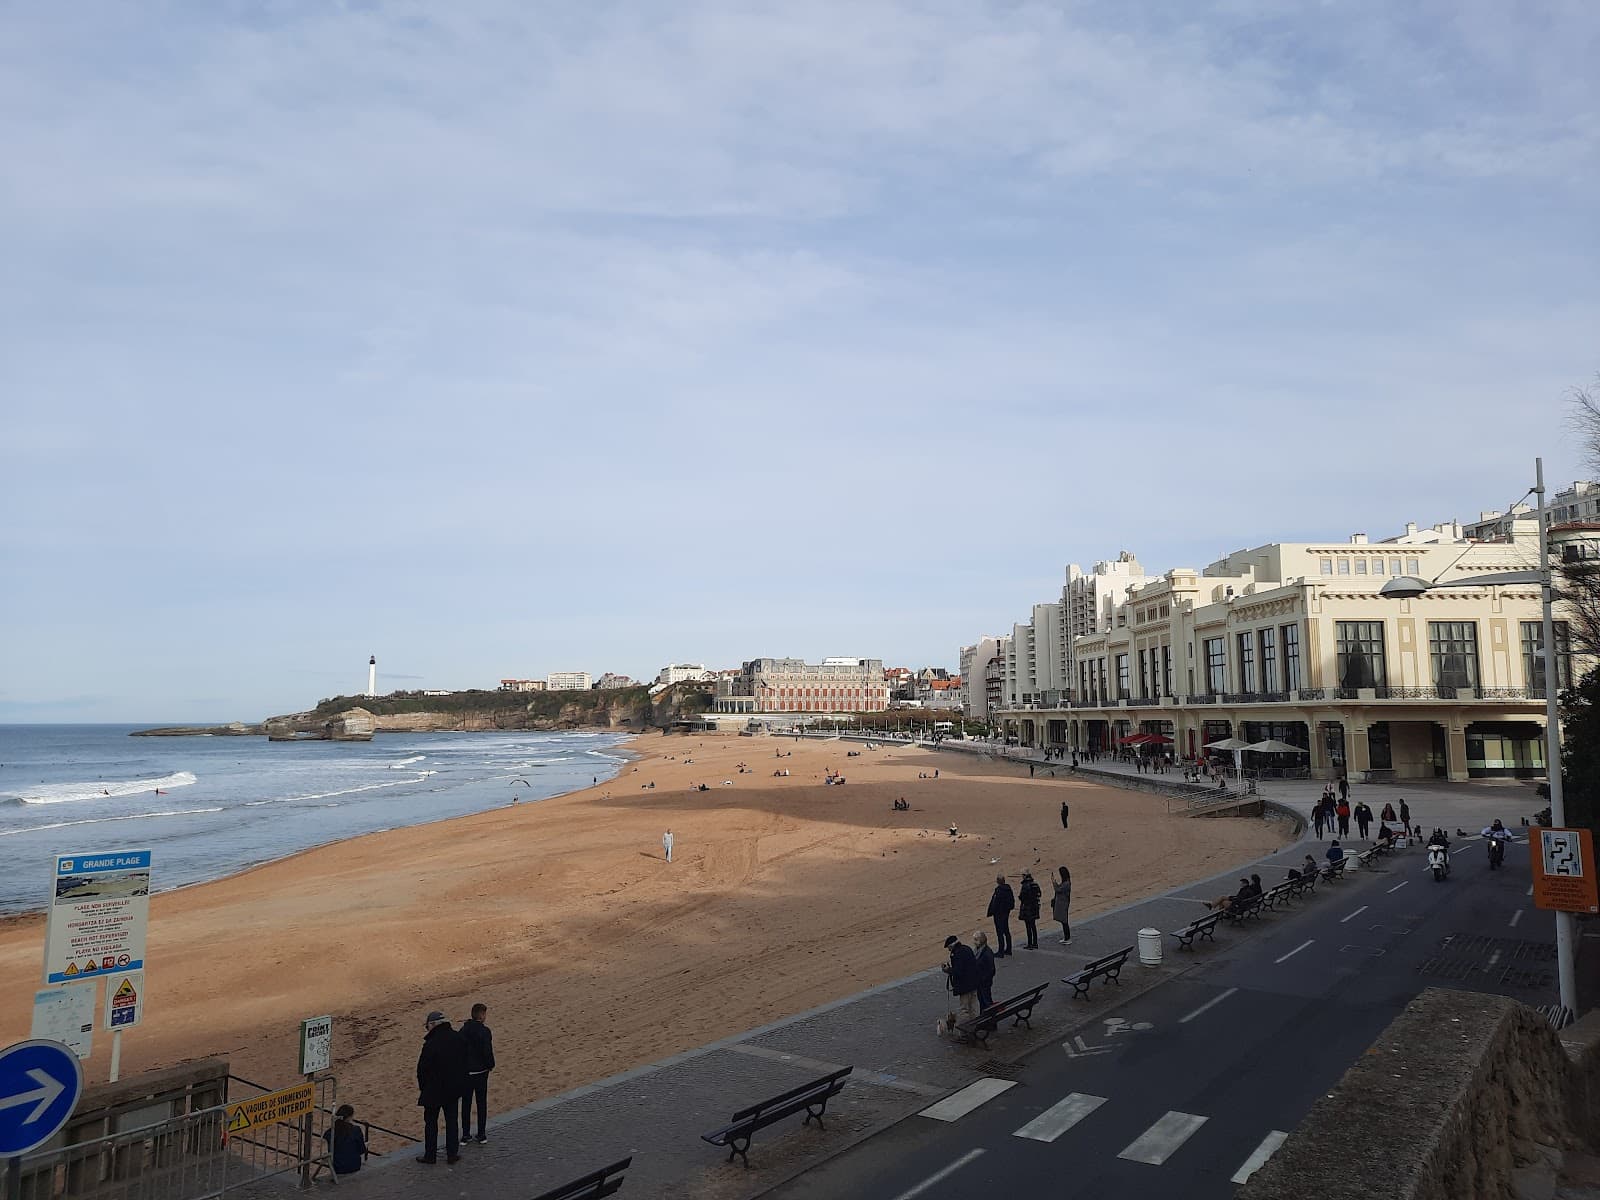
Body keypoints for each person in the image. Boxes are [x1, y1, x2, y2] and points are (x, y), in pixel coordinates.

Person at [415, 1010, 468, 1165]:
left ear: (433, 1025)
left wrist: (424, 1087)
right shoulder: (458, 1038)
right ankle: (452, 1154)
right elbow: (464, 1062)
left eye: (427, 1027)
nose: (427, 1030)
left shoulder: (431, 1044)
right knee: (452, 1122)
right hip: (453, 1089)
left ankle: (430, 1155)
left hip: (433, 1090)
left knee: (431, 1123)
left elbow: (422, 1070)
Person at [459, 1003, 494, 1145]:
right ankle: (481, 1134)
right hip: (481, 1072)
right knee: (481, 1103)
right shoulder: (485, 1031)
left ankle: (466, 1135)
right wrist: (490, 1065)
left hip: (467, 1072)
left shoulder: (463, 1030)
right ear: (482, 1015)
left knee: (466, 1103)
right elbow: (487, 1051)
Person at [941, 935, 981, 1037]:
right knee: (974, 1007)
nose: (948, 950)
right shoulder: (967, 949)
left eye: (949, 947)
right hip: (974, 983)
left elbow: (958, 972)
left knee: (964, 1009)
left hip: (965, 986)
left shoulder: (956, 954)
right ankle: (975, 1027)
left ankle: (964, 1032)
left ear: (951, 945)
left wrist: (948, 970)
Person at [986, 874, 1015, 957]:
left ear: (998, 881)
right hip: (1006, 913)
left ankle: (1001, 951)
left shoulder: (999, 890)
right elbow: (1011, 902)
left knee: (1000, 933)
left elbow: (995, 903)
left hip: (999, 914)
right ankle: (1009, 949)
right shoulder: (1008, 889)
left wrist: (992, 911)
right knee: (1006, 931)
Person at [1017, 871, 1042, 950]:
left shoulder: (1025, 886)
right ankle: (1035, 943)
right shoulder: (1035, 884)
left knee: (1028, 927)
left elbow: (1022, 897)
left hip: (1027, 908)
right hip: (1034, 908)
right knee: (1033, 926)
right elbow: (1039, 894)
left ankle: (1030, 943)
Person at [972, 930, 996, 1011]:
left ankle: (990, 1020)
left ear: (981, 940)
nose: (974, 942)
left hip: (984, 983)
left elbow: (991, 970)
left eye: (976, 940)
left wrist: (983, 979)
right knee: (982, 1001)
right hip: (980, 982)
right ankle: (985, 1018)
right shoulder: (978, 950)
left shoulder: (986, 953)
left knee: (986, 1002)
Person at [1051, 866, 1072, 944]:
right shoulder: (1066, 882)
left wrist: (1054, 882)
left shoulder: (1066, 883)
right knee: (1064, 921)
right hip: (1062, 903)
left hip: (1063, 904)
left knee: (1064, 921)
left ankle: (1068, 938)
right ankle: (1066, 938)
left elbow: (1058, 890)